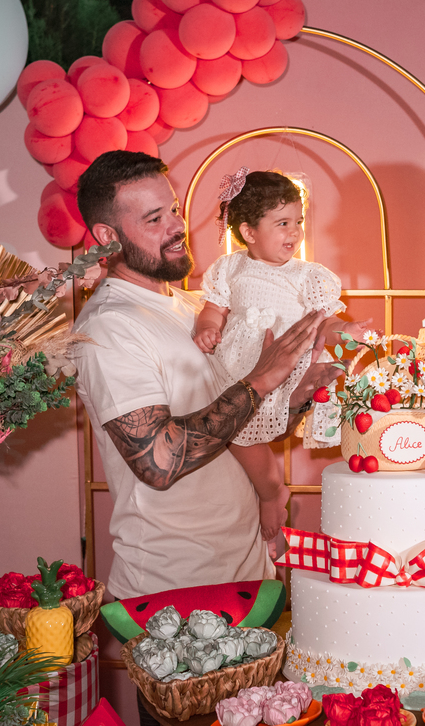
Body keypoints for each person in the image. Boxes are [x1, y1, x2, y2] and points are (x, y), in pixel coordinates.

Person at [70, 151, 340, 602]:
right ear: (107, 236)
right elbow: (158, 462)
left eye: (173, 208)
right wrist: (260, 380)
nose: (177, 225)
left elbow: (243, 422)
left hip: (248, 570)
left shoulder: (194, 309)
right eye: (155, 218)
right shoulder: (109, 328)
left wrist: (296, 396)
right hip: (174, 586)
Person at [194, 169, 367, 541]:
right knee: (233, 428)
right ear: (249, 232)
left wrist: (345, 331)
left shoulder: (308, 276)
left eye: (299, 222)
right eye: (283, 223)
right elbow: (214, 309)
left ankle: (269, 492)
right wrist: (206, 327)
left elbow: (324, 322)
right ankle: (271, 490)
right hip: (240, 368)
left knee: (242, 431)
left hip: (287, 366)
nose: (295, 233)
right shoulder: (230, 268)